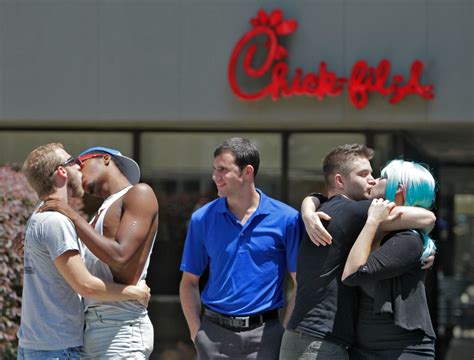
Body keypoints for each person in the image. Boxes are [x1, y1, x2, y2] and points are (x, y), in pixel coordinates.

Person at [280, 144, 436, 360]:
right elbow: (427, 217)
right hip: (319, 342)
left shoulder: (326, 211)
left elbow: (319, 197)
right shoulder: (354, 212)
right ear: (340, 181)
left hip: (309, 338)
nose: (372, 179)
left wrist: (308, 207)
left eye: (375, 175)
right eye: (364, 174)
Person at [18, 143, 150, 360]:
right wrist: (136, 292)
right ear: (62, 171)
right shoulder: (56, 220)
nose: (79, 168)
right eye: (73, 162)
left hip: (43, 343)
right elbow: (85, 285)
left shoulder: (40, 215)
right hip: (56, 346)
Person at [179, 137, 302, 359]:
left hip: (267, 336)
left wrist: (285, 331)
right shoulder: (202, 219)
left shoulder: (287, 219)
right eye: (214, 169)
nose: (215, 177)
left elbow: (300, 283)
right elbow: (189, 282)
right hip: (213, 336)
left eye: (223, 170)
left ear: (247, 172)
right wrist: (196, 333)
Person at [341, 160, 437, 359]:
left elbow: (352, 274)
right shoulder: (372, 223)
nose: (374, 180)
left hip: (402, 350)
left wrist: (374, 222)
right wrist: (309, 207)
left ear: (399, 189)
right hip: (364, 348)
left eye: (383, 177)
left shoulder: (408, 240)